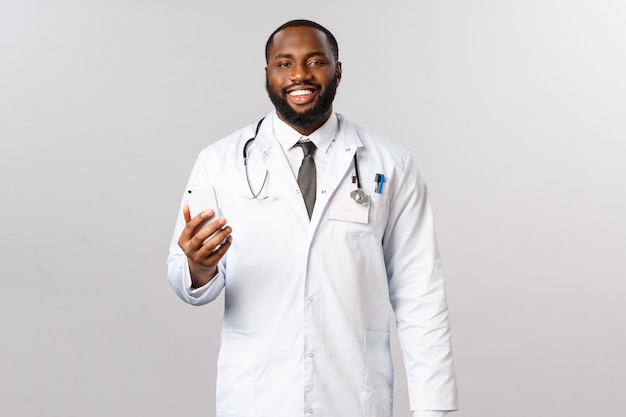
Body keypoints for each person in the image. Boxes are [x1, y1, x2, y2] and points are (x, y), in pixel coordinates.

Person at [167, 19, 458, 417]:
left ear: (338, 70)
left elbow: (421, 297)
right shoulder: (219, 162)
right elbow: (186, 280)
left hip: (353, 395)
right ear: (267, 74)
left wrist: (436, 411)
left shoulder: (391, 165)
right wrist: (198, 267)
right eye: (284, 64)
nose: (299, 75)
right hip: (257, 397)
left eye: (315, 61)